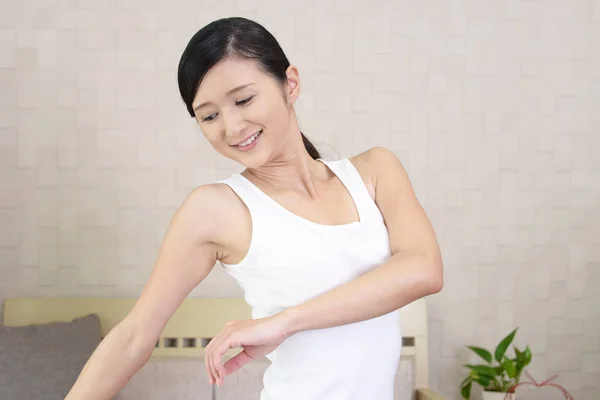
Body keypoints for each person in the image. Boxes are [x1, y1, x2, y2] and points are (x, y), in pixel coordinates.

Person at [65, 17, 443, 400]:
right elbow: (133, 336)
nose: (231, 126)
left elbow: (424, 269)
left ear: (289, 83)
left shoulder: (375, 172)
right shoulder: (215, 209)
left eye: (244, 99)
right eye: (209, 116)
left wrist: (284, 323)